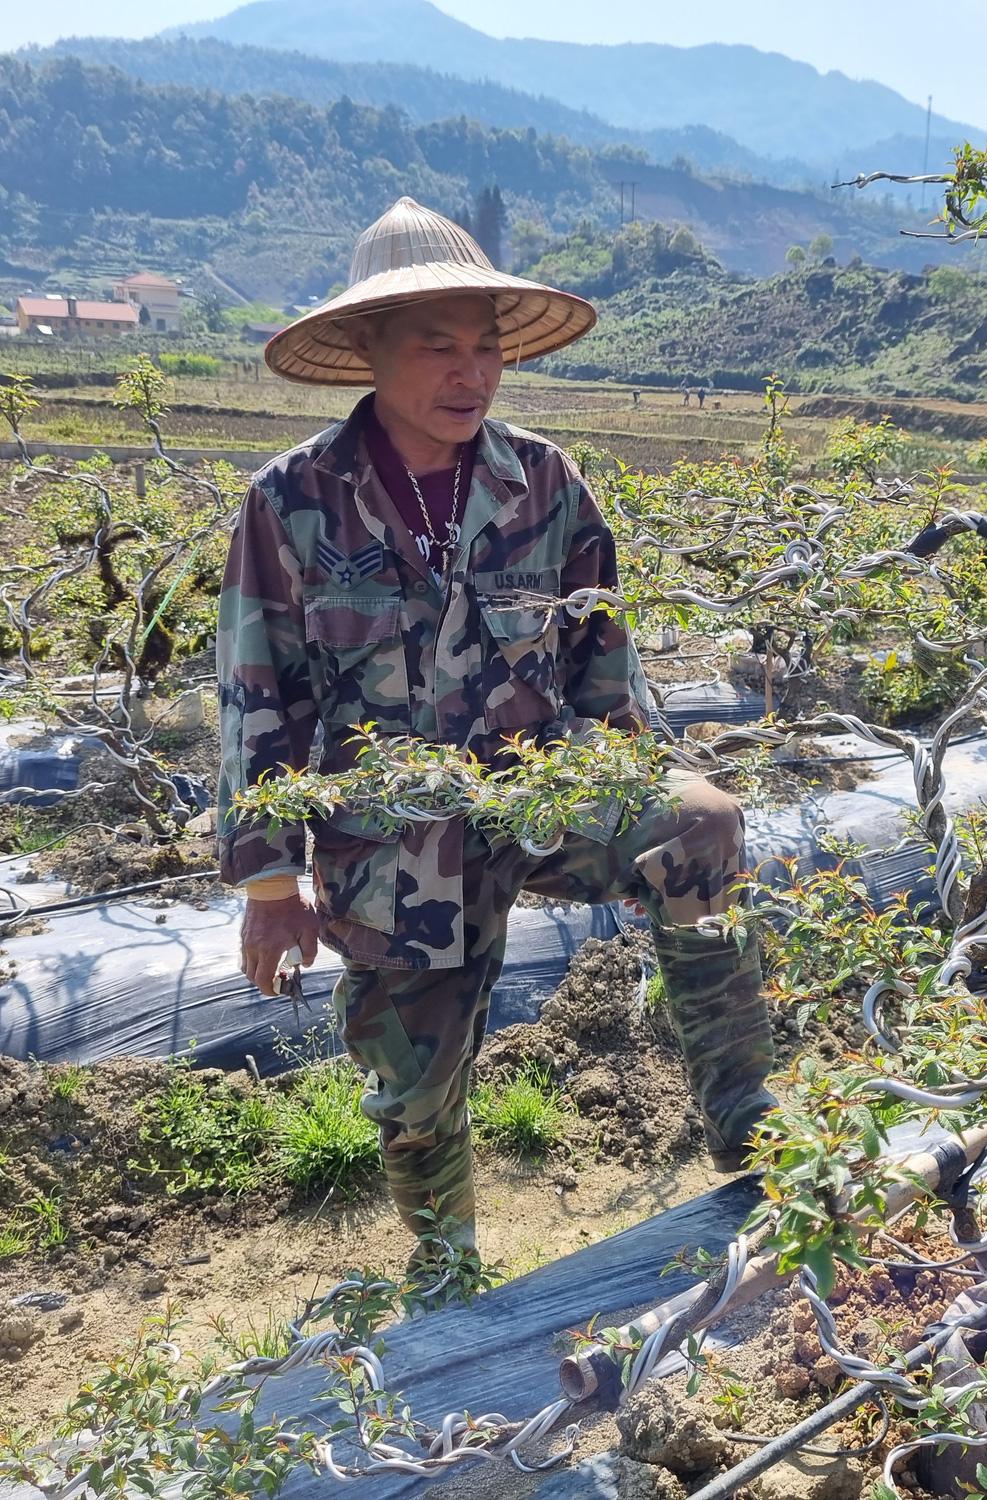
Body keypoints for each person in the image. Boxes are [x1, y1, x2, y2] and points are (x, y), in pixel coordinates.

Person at [216, 198, 775, 1260]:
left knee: (702, 820)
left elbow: (603, 662)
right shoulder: (291, 503)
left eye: (486, 348)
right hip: (394, 836)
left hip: (539, 791)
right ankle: (447, 1270)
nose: (469, 374)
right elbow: (256, 690)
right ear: (369, 352)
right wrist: (267, 884)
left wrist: (640, 791)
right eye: (437, 347)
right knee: (415, 1091)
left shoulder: (546, 482)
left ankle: (748, 1124)